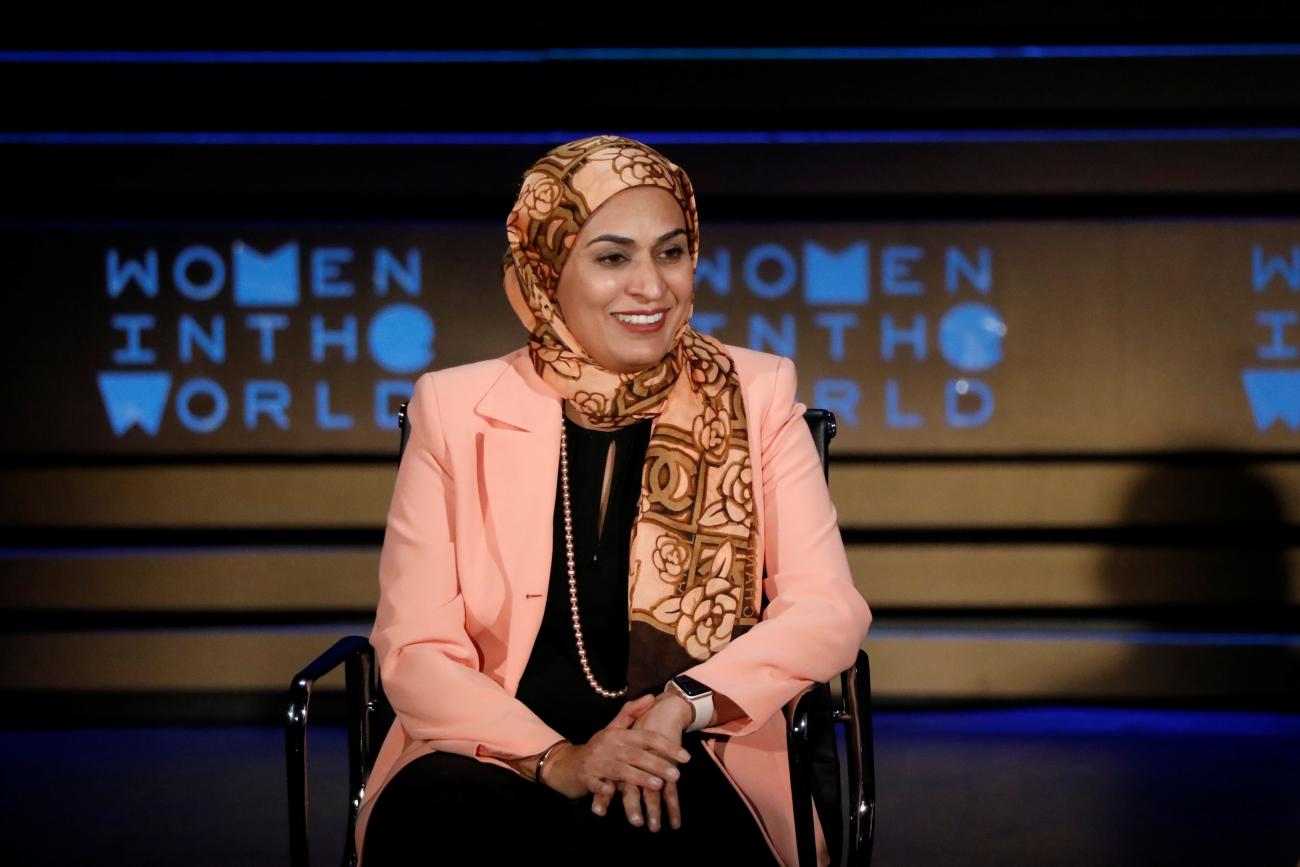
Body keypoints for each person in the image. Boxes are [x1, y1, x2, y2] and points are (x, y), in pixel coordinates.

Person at [353, 134, 872, 867]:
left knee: (649, 825)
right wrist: (556, 757)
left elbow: (827, 608)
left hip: (688, 744)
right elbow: (414, 649)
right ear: (547, 270)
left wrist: (678, 706)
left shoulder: (756, 394)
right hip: (493, 748)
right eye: (612, 256)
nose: (652, 287)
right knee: (449, 826)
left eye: (672, 251)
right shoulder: (455, 406)